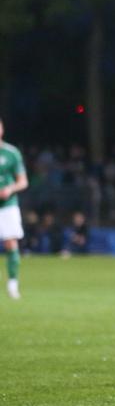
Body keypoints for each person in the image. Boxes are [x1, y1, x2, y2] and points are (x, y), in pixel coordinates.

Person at [0, 119, 28, 299]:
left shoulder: (12, 153)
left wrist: (10, 189)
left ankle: (12, 284)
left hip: (7, 205)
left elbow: (23, 181)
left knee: (10, 242)